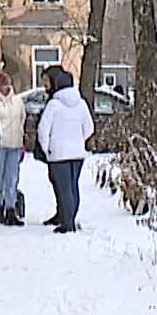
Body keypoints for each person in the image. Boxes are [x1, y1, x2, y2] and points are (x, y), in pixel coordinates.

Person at [37, 69, 96, 233]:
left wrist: (47, 148)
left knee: (64, 190)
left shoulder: (54, 104)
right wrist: (79, 141)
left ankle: (67, 223)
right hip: (77, 152)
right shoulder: (81, 103)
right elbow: (89, 128)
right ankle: (72, 219)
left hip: (59, 153)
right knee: (73, 187)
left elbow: (43, 130)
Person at [0, 73, 26, 226]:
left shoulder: (17, 102)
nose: (7, 87)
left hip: (14, 144)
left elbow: (22, 120)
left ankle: (10, 208)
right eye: (3, 84)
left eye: (8, 83)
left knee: (12, 178)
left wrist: (21, 142)